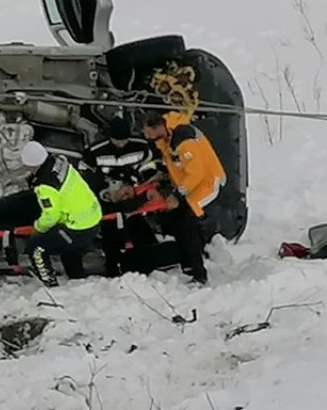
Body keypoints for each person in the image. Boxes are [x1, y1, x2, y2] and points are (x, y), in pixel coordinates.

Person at [140, 111, 226, 285]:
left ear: (157, 127)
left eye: (147, 132)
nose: (145, 136)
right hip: (189, 184)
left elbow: (196, 173)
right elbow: (175, 164)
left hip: (207, 182)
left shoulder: (183, 138)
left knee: (187, 222)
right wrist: (163, 175)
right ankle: (188, 263)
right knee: (178, 221)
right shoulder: (166, 137)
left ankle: (199, 273)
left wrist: (178, 195)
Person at [80, 115, 160, 277]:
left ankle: (148, 263)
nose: (121, 144)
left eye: (124, 140)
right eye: (117, 141)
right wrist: (104, 191)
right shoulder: (95, 151)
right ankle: (113, 267)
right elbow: (86, 175)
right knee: (110, 231)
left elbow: (152, 165)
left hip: (133, 196)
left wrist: (135, 184)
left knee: (138, 226)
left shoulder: (141, 146)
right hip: (108, 199)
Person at [19, 141, 103, 287]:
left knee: (37, 249)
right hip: (93, 217)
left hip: (78, 227)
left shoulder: (45, 185)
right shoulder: (60, 161)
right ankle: (78, 282)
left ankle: (50, 285)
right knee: (69, 251)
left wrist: (37, 228)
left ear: (31, 166)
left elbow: (51, 216)